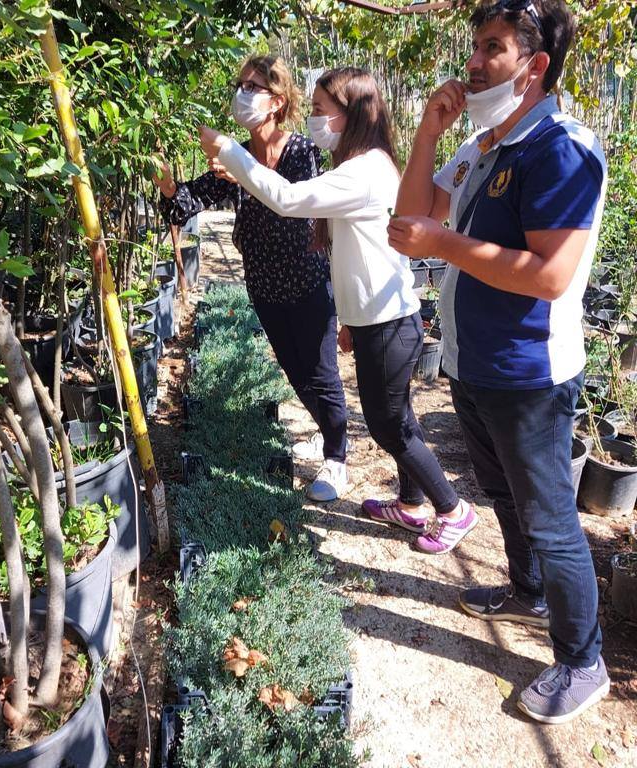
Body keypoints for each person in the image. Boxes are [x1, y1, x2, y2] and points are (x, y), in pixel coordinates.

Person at [390, 0, 609, 724]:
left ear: (535, 65)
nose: (473, 62)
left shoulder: (562, 149)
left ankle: (584, 661)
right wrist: (427, 131)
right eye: (474, 45)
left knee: (551, 519)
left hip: (530, 376)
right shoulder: (486, 143)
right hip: (473, 362)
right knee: (505, 496)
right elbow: (409, 219)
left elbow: (548, 276)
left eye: (492, 48)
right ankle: (528, 592)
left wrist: (444, 244)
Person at [200, 67, 476, 554]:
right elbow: (356, 254)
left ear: (353, 115)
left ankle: (452, 509)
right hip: (377, 318)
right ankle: (411, 504)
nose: (313, 119)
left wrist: (230, 152)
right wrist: (348, 317)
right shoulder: (358, 165)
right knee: (399, 414)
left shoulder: (366, 170)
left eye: (321, 110)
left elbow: (287, 199)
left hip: (390, 322)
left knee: (389, 422)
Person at [155, 55, 349, 502]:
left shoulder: (301, 152)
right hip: (263, 284)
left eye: (254, 86)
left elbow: (291, 206)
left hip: (306, 281)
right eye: (240, 84)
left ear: (278, 101)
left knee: (321, 372)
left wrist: (241, 169)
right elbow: (185, 205)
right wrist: (169, 188)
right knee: (295, 371)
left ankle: (337, 457)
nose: (242, 93)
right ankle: (327, 431)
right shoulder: (235, 160)